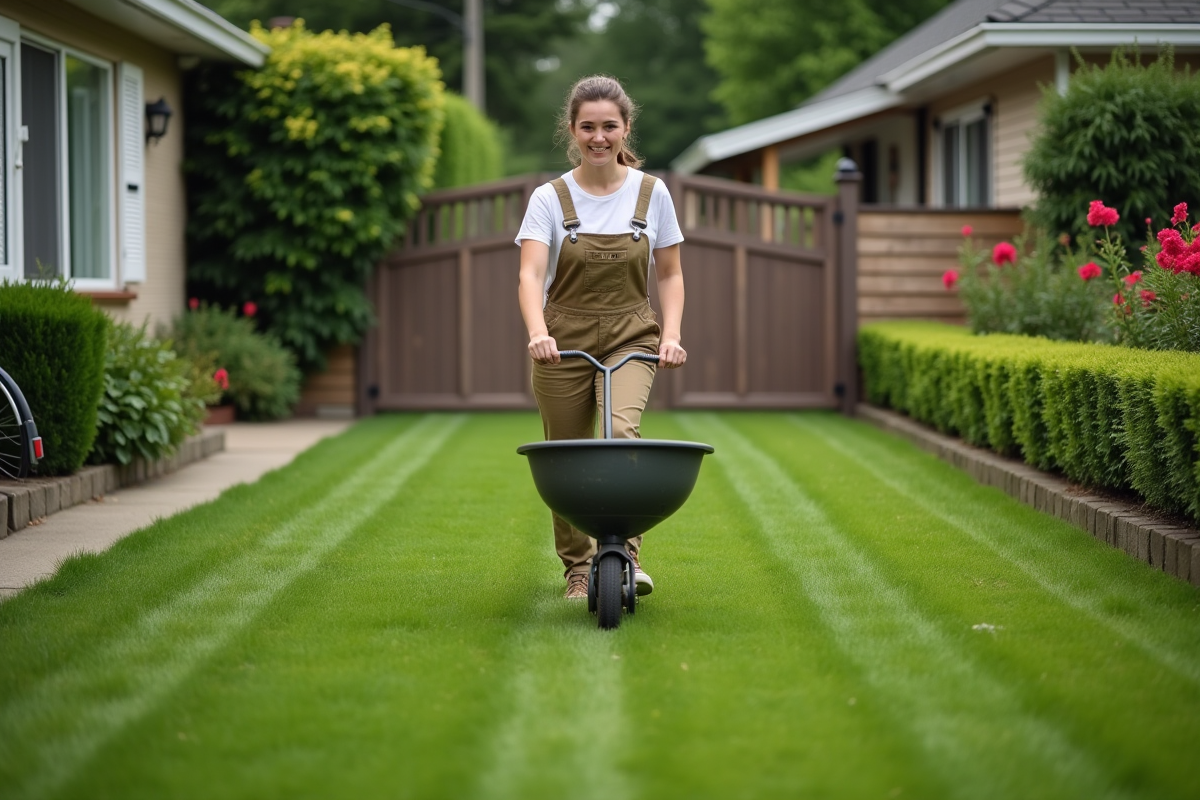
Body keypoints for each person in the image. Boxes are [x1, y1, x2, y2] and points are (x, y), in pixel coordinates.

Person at [516, 75, 687, 600]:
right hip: (561, 338)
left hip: (631, 334)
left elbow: (671, 274)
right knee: (564, 454)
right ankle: (576, 568)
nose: (598, 137)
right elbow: (528, 275)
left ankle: (626, 555)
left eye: (609, 126)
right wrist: (538, 332)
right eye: (587, 127)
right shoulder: (549, 198)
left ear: (625, 128)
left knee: (619, 433)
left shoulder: (652, 193)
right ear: (572, 129)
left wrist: (672, 334)